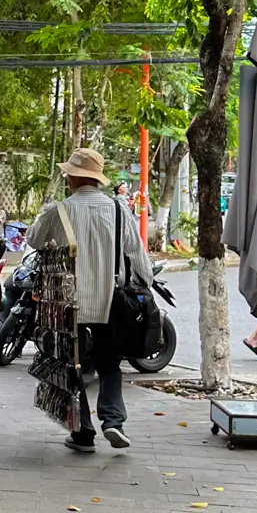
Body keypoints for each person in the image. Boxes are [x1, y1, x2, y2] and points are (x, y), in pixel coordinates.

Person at [28, 147, 153, 453]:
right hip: (110, 300)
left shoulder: (59, 210)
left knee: (72, 367)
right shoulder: (118, 209)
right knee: (110, 364)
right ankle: (113, 421)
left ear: (72, 177)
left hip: (67, 304)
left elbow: (32, 240)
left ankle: (83, 433)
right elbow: (137, 255)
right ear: (96, 179)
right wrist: (146, 286)